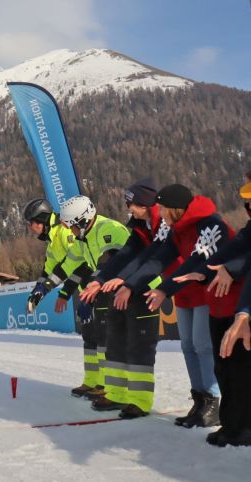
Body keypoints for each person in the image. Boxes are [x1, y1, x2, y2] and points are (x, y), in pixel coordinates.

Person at [120, 184, 240, 429]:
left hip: (211, 292)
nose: (160, 212)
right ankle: (200, 400)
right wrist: (131, 284)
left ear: (175, 208)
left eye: (163, 207)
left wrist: (164, 289)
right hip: (185, 292)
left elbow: (196, 261)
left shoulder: (209, 223)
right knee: (187, 346)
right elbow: (158, 258)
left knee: (203, 346)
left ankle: (214, 400)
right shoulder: (175, 229)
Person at [174, 175, 251, 446]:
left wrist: (231, 269)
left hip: (238, 307)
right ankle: (232, 425)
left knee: (240, 371)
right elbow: (233, 250)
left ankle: (243, 428)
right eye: (247, 201)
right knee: (226, 368)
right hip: (230, 307)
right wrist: (204, 272)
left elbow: (241, 258)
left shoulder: (212, 224)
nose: (247, 206)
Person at [79, 178, 164, 418]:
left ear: (146, 204)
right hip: (123, 287)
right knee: (115, 340)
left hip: (146, 290)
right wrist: (100, 280)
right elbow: (127, 253)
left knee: (139, 347)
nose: (129, 209)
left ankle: (139, 400)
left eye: (132, 205)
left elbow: (149, 259)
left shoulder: (162, 225)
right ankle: (116, 394)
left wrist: (127, 282)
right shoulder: (139, 225)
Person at [57, 195, 130, 409]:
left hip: (125, 289)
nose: (68, 231)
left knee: (114, 339)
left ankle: (118, 390)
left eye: (69, 226)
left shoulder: (108, 228)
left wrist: (92, 291)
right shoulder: (84, 237)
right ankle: (102, 384)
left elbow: (109, 263)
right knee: (99, 338)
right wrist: (47, 286)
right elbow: (71, 263)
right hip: (107, 289)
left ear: (81, 221)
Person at [21, 198, 92, 397]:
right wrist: (37, 293)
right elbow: (48, 271)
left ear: (41, 220)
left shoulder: (65, 231)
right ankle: (93, 382)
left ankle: (105, 386)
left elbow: (81, 264)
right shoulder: (53, 240)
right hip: (84, 290)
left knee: (100, 337)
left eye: (31, 223)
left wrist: (64, 292)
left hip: (95, 287)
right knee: (90, 338)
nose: (30, 228)